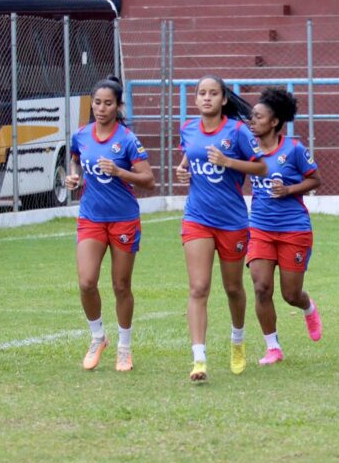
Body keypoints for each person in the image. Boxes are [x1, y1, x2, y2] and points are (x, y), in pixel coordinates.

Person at [175, 76, 268, 382]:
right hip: (197, 218)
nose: (207, 98)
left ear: (224, 99)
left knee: (233, 288)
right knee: (198, 287)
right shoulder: (188, 128)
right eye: (201, 93)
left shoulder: (237, 131)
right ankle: (199, 359)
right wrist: (183, 167)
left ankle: (237, 341)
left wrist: (228, 162)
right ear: (195, 99)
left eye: (213, 93)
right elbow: (191, 153)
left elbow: (261, 167)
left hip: (232, 221)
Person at [65, 76, 155, 372]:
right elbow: (75, 159)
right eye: (97, 103)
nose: (101, 109)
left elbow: (148, 180)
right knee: (86, 282)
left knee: (121, 285)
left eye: (107, 103)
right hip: (91, 218)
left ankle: (124, 348)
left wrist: (119, 172)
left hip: (123, 220)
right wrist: (74, 176)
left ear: (118, 106)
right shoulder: (81, 135)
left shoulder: (127, 139)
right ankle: (97, 337)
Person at [246, 87, 323, 365]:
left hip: (294, 229)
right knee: (261, 288)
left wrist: (289, 189)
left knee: (290, 294)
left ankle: (308, 307)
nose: (252, 121)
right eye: (251, 116)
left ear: (274, 121)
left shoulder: (294, 149)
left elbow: (315, 180)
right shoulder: (248, 149)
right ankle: (273, 347)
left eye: (258, 117)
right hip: (260, 228)